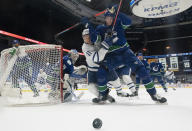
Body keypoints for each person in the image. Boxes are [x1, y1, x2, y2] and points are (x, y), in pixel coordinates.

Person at [81, 5, 167, 103]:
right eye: (107, 18)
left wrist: (118, 12)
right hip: (112, 56)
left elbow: (128, 21)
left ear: (114, 17)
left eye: (111, 17)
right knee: (101, 71)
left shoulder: (118, 23)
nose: (109, 20)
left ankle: (154, 94)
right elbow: (94, 38)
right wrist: (88, 25)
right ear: (105, 18)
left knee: (141, 70)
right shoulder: (101, 29)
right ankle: (103, 96)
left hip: (126, 52)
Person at [81, 28, 130, 104]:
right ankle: (102, 96)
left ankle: (119, 92)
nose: (87, 39)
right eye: (85, 37)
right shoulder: (85, 47)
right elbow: (97, 58)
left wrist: (112, 37)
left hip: (105, 66)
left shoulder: (98, 40)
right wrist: (106, 46)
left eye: (88, 36)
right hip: (93, 71)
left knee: (116, 80)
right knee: (91, 87)